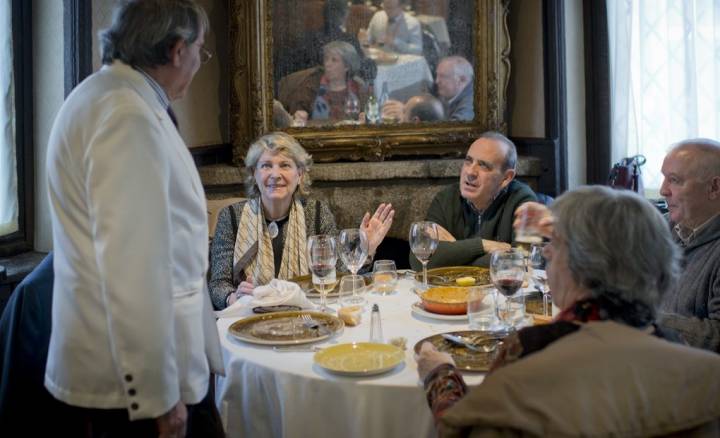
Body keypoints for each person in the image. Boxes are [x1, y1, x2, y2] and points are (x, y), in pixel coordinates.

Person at [44, 1, 223, 436]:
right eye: (201, 49)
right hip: (133, 388)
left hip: (132, 371)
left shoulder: (113, 97)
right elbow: (133, 269)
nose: (201, 61)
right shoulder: (125, 115)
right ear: (178, 50)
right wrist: (159, 396)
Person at [416, 186, 720, 436]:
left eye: (555, 246)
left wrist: (440, 375)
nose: (546, 252)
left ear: (582, 264)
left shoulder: (531, 351)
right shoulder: (700, 368)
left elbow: (465, 431)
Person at [209, 132, 394, 310]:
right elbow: (218, 284)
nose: (275, 174)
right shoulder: (231, 217)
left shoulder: (317, 213)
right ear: (254, 174)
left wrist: (365, 248)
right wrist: (234, 298)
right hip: (251, 316)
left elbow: (337, 275)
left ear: (300, 175)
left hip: (305, 315)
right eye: (266, 165)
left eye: (285, 165)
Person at [409, 132, 536, 270]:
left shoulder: (523, 202)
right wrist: (483, 245)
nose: (470, 172)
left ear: (506, 178)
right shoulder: (445, 199)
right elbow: (418, 260)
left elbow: (521, 264)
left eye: (483, 165)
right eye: (468, 161)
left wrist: (454, 248)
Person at [656, 138, 720, 352]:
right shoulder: (658, 230)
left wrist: (644, 319)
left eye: (674, 180)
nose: (663, 191)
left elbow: (717, 334)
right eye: (664, 178)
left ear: (714, 187)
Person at [281, 41, 368, 126]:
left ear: (347, 66)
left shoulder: (358, 89)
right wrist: (299, 116)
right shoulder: (311, 84)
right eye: (326, 59)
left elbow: (368, 117)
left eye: (334, 60)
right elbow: (295, 115)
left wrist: (365, 119)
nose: (327, 64)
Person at [382, 56, 474, 122]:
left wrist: (407, 115)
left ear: (462, 80)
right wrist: (409, 109)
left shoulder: (470, 105)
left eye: (443, 76)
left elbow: (449, 133)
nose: (437, 81)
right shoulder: (451, 92)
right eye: (437, 75)